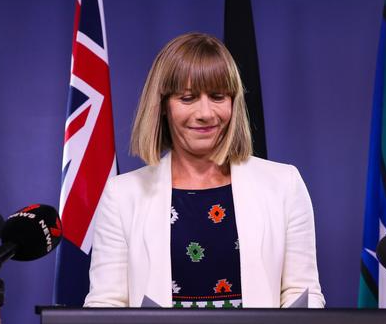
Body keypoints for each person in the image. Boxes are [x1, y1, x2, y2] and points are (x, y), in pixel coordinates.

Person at [84, 33, 324, 309]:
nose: (206, 113)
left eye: (218, 96)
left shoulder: (284, 184)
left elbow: (303, 293)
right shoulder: (122, 195)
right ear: (163, 106)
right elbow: (106, 304)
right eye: (188, 98)